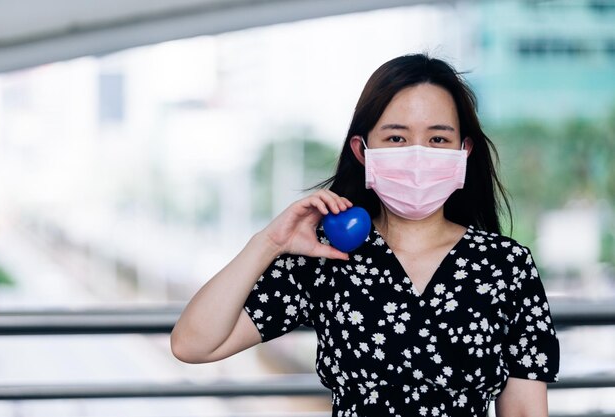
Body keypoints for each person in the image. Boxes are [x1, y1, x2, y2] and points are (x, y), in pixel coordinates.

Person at [171, 53, 560, 417]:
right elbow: (192, 344)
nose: (418, 154)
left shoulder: (505, 266)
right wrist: (268, 243)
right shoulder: (326, 256)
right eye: (396, 138)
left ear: (464, 149)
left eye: (438, 139)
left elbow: (525, 410)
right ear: (362, 150)